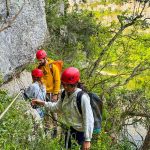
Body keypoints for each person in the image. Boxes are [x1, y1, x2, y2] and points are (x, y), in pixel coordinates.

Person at [32, 67, 94, 150]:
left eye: (68, 85)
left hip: (81, 133)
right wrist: (42, 103)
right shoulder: (64, 94)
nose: (65, 87)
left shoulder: (82, 98)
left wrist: (87, 139)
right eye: (64, 84)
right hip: (68, 129)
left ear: (75, 84)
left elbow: (88, 119)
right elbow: (56, 107)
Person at [36, 49, 61, 137]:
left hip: (52, 93)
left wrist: (55, 94)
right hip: (44, 93)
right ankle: (47, 128)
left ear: (45, 57)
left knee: (53, 111)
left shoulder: (53, 67)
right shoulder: (39, 67)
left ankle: (55, 129)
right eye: (38, 60)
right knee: (45, 110)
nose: (39, 61)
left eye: (40, 60)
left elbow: (57, 80)